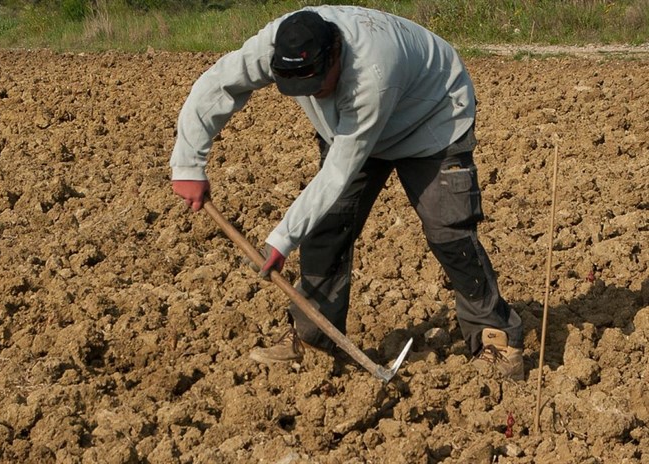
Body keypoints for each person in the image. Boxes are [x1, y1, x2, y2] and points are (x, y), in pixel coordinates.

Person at [170, 6, 524, 380]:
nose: (314, 96)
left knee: (449, 233)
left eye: (319, 85)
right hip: (350, 128)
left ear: (335, 55)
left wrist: (280, 240)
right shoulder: (276, 45)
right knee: (327, 228)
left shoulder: (372, 75)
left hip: (432, 118)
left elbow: (340, 169)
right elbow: (217, 84)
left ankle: (498, 339)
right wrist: (188, 164)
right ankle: (313, 340)